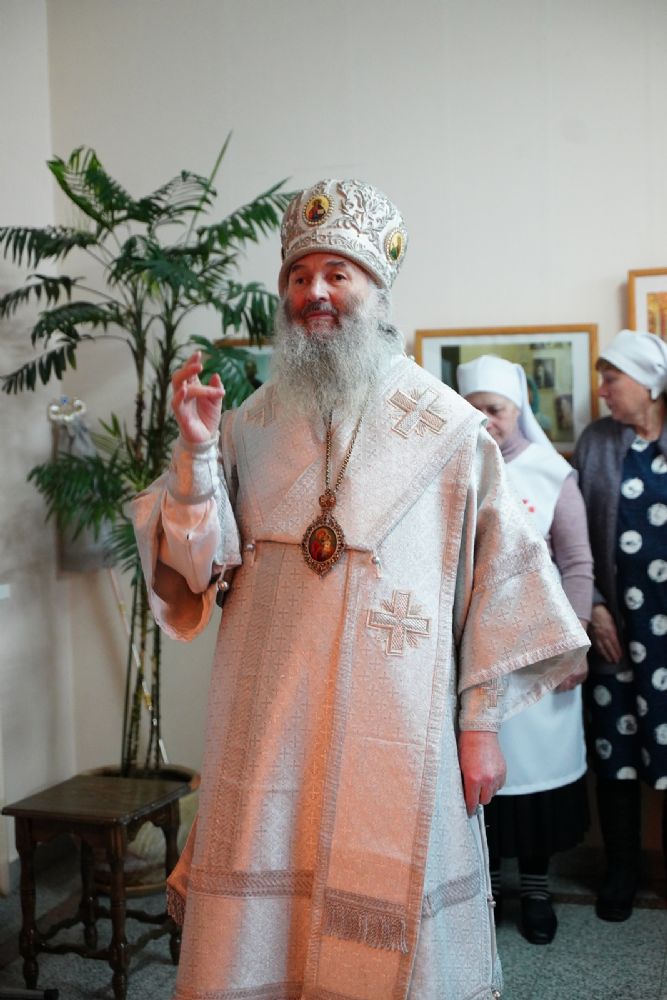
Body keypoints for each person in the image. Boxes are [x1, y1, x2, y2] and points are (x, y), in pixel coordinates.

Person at [131, 178, 590, 999]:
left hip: (398, 726)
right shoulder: (246, 424)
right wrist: (195, 457)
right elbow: (197, 571)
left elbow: (498, 585)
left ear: (376, 292)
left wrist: (479, 727)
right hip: (268, 722)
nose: (314, 292)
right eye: (298, 276)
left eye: (336, 274)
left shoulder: (448, 429)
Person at [457, 355, 593, 945]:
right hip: (474, 651)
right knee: (477, 775)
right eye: (475, 408)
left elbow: (578, 563)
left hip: (542, 649)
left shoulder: (551, 473)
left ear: (519, 411)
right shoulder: (453, 464)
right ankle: (484, 889)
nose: (486, 419)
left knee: (539, 774)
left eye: (496, 409)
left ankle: (536, 890)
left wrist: (576, 644)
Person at [572, 329, 667, 923]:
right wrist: (596, 606)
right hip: (614, 628)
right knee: (615, 751)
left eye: (612, 379)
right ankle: (622, 870)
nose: (603, 390)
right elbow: (575, 534)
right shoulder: (598, 442)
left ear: (649, 384)